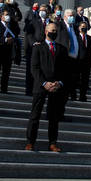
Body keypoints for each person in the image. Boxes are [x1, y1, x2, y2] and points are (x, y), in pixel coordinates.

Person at [26, 21, 68, 152]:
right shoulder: (38, 47)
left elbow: (65, 70)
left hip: (56, 87)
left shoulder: (62, 49)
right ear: (45, 31)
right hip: (41, 86)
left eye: (55, 31)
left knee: (54, 117)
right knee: (35, 116)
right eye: (51, 30)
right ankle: (30, 141)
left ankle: (53, 142)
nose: (53, 33)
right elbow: (34, 68)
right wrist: (44, 83)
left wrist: (59, 83)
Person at [23, 3, 50, 96]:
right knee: (31, 70)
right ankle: (29, 90)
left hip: (46, 50)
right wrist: (33, 42)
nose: (42, 12)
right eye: (41, 10)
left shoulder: (51, 23)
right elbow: (29, 33)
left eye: (44, 10)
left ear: (48, 12)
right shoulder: (34, 21)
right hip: (35, 49)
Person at [0, 7, 20, 93]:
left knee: (6, 72)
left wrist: (15, 22)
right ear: (1, 16)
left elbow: (17, 33)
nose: (8, 17)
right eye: (6, 15)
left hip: (9, 52)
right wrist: (5, 40)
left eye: (9, 15)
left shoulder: (12, 26)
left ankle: (4, 88)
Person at [56, 8, 80, 108]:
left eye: (73, 16)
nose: (72, 18)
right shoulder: (59, 26)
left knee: (67, 89)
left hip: (72, 62)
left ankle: (61, 112)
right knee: (59, 90)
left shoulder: (74, 28)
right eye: (70, 16)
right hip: (62, 60)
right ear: (64, 16)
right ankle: (54, 113)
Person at [76, 20, 91, 101]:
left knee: (85, 80)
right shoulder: (76, 37)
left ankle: (83, 96)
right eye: (82, 27)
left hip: (87, 62)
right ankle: (73, 94)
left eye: (85, 27)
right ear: (79, 28)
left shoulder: (90, 38)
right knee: (75, 79)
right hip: (77, 61)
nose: (84, 28)